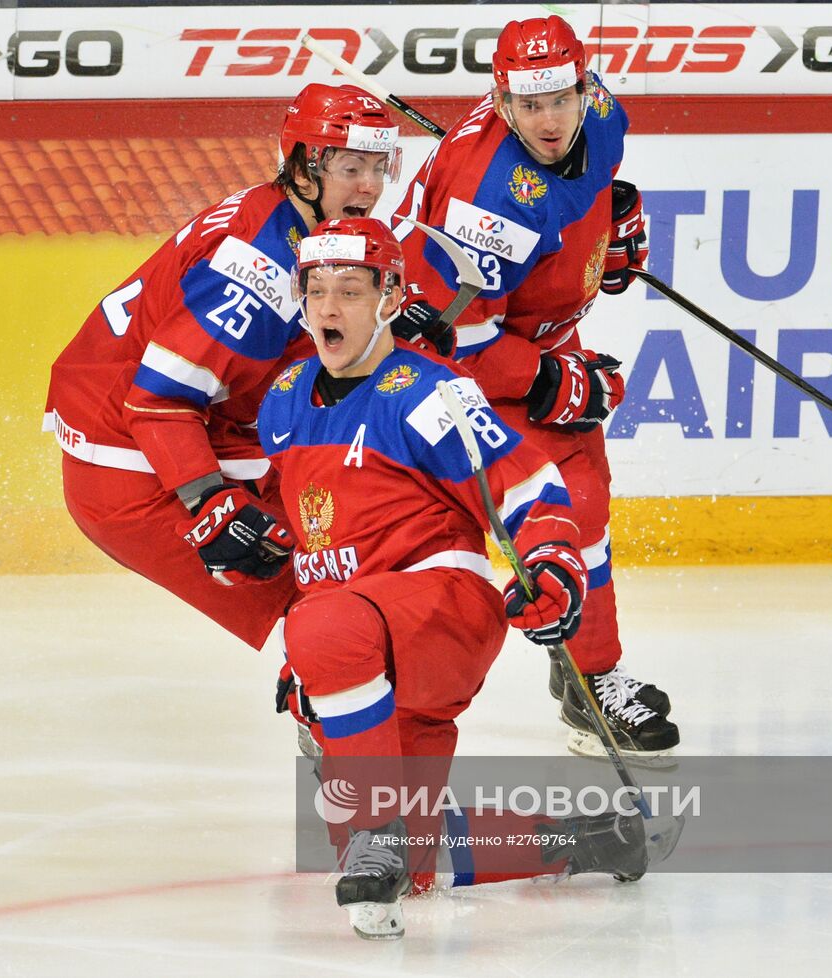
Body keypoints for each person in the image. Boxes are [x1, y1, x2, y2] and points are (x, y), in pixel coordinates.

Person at [258, 218, 646, 940]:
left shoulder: (429, 391)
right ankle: (586, 839)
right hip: (364, 643)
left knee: (322, 630)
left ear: (391, 296)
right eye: (316, 292)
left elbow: (525, 482)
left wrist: (554, 559)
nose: (329, 308)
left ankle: (377, 823)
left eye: (350, 290)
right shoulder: (282, 400)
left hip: (442, 611)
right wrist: (306, 665)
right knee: (404, 859)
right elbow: (310, 543)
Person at [392, 15, 679, 758]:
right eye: (528, 105)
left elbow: (592, 182)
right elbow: (456, 338)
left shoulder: (604, 114)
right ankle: (344, 700)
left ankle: (591, 679)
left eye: (561, 98)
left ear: (585, 86)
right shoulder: (485, 200)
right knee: (435, 547)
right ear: (500, 98)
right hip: (445, 362)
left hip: (538, 331)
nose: (548, 121)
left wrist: (612, 218)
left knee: (584, 504)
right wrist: (555, 379)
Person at [42, 84, 403, 651]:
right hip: (131, 461)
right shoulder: (261, 268)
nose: (371, 187)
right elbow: (158, 401)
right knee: (330, 570)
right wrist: (211, 504)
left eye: (379, 168)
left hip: (182, 430)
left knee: (358, 524)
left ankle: (334, 692)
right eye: (353, 167)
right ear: (306, 167)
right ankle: (332, 709)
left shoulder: (295, 222)